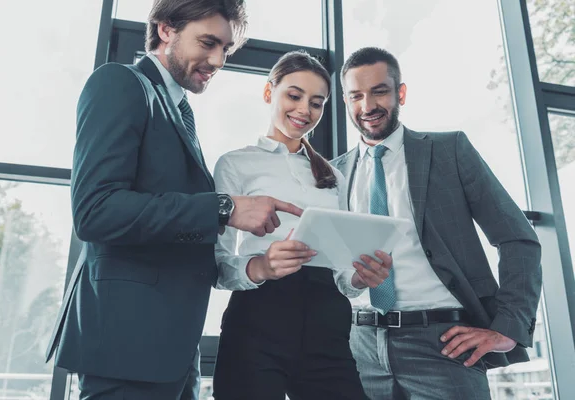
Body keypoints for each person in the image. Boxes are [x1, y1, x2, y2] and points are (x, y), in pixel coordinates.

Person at [44, 1, 305, 399]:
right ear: (166, 29)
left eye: (226, 48)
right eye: (208, 42)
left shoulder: (177, 108)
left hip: (172, 351)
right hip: (126, 348)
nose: (218, 59)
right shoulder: (120, 83)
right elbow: (96, 212)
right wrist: (226, 207)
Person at [331, 47, 542, 400]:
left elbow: (517, 237)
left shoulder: (449, 151)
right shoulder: (333, 173)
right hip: (358, 348)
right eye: (356, 96)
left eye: (379, 91)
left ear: (401, 92)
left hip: (443, 345)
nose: (367, 106)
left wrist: (508, 327)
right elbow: (333, 268)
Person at [211, 51, 369, 400]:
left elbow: (342, 274)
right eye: (294, 96)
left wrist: (360, 277)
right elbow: (217, 266)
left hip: (327, 322)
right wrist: (262, 266)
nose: (304, 111)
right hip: (259, 316)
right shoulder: (235, 164)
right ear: (270, 93)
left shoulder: (335, 177)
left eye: (316, 103)